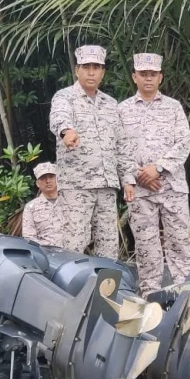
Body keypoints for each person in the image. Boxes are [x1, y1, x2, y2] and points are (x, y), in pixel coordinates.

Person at [118, 53, 190, 295]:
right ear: (134, 77)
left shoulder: (173, 107)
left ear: (160, 77)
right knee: (146, 246)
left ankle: (185, 294)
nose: (148, 78)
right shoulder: (122, 110)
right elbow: (118, 148)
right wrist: (137, 175)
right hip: (140, 192)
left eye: (153, 74)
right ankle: (150, 295)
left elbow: (184, 142)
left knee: (180, 242)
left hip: (172, 187)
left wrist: (158, 168)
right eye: (143, 74)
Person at [49, 45, 121, 259]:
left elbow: (122, 144)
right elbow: (59, 118)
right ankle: (69, 282)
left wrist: (127, 179)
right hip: (77, 186)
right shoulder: (64, 97)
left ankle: (107, 282)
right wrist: (66, 131)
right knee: (73, 245)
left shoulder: (111, 104)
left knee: (109, 248)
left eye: (96, 67)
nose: (91, 72)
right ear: (77, 70)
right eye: (86, 67)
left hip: (106, 186)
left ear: (103, 72)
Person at [21, 162, 66, 248]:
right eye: (43, 178)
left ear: (58, 179)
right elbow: (29, 238)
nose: (48, 181)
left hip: (72, 252)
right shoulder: (31, 207)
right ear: (37, 183)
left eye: (51, 177)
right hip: (46, 253)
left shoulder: (69, 202)